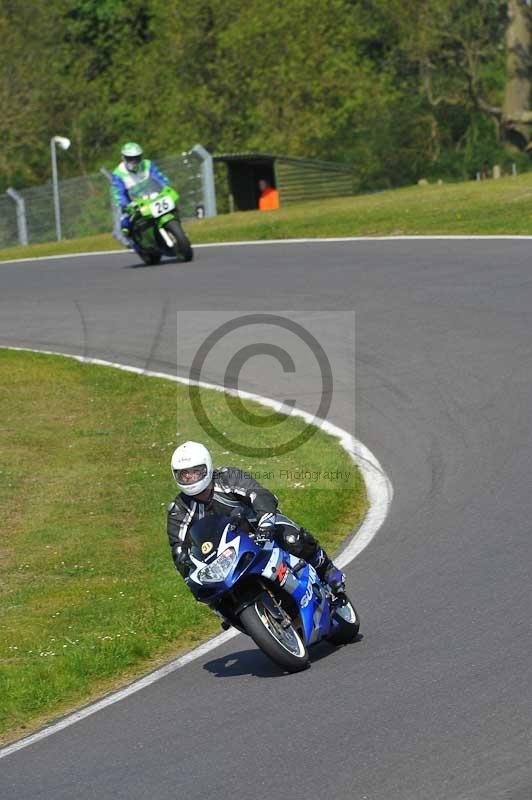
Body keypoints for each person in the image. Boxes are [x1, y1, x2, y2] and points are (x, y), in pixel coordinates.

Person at [167, 441, 345, 593]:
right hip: (224, 557)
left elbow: (260, 495)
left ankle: (327, 569)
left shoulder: (228, 477)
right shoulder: (179, 509)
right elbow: (179, 549)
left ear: (207, 467)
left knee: (293, 539)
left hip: (259, 530)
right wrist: (191, 578)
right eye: (184, 474)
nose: (190, 478)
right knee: (215, 595)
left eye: (195, 472)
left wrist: (265, 523)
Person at [111, 142, 169, 248]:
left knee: (171, 204)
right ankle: (131, 242)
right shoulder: (118, 173)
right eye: (130, 158)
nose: (134, 161)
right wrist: (125, 205)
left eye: (137, 158)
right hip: (132, 202)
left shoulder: (148, 164)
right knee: (124, 223)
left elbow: (159, 177)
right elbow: (118, 192)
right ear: (123, 158)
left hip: (152, 195)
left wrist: (165, 187)